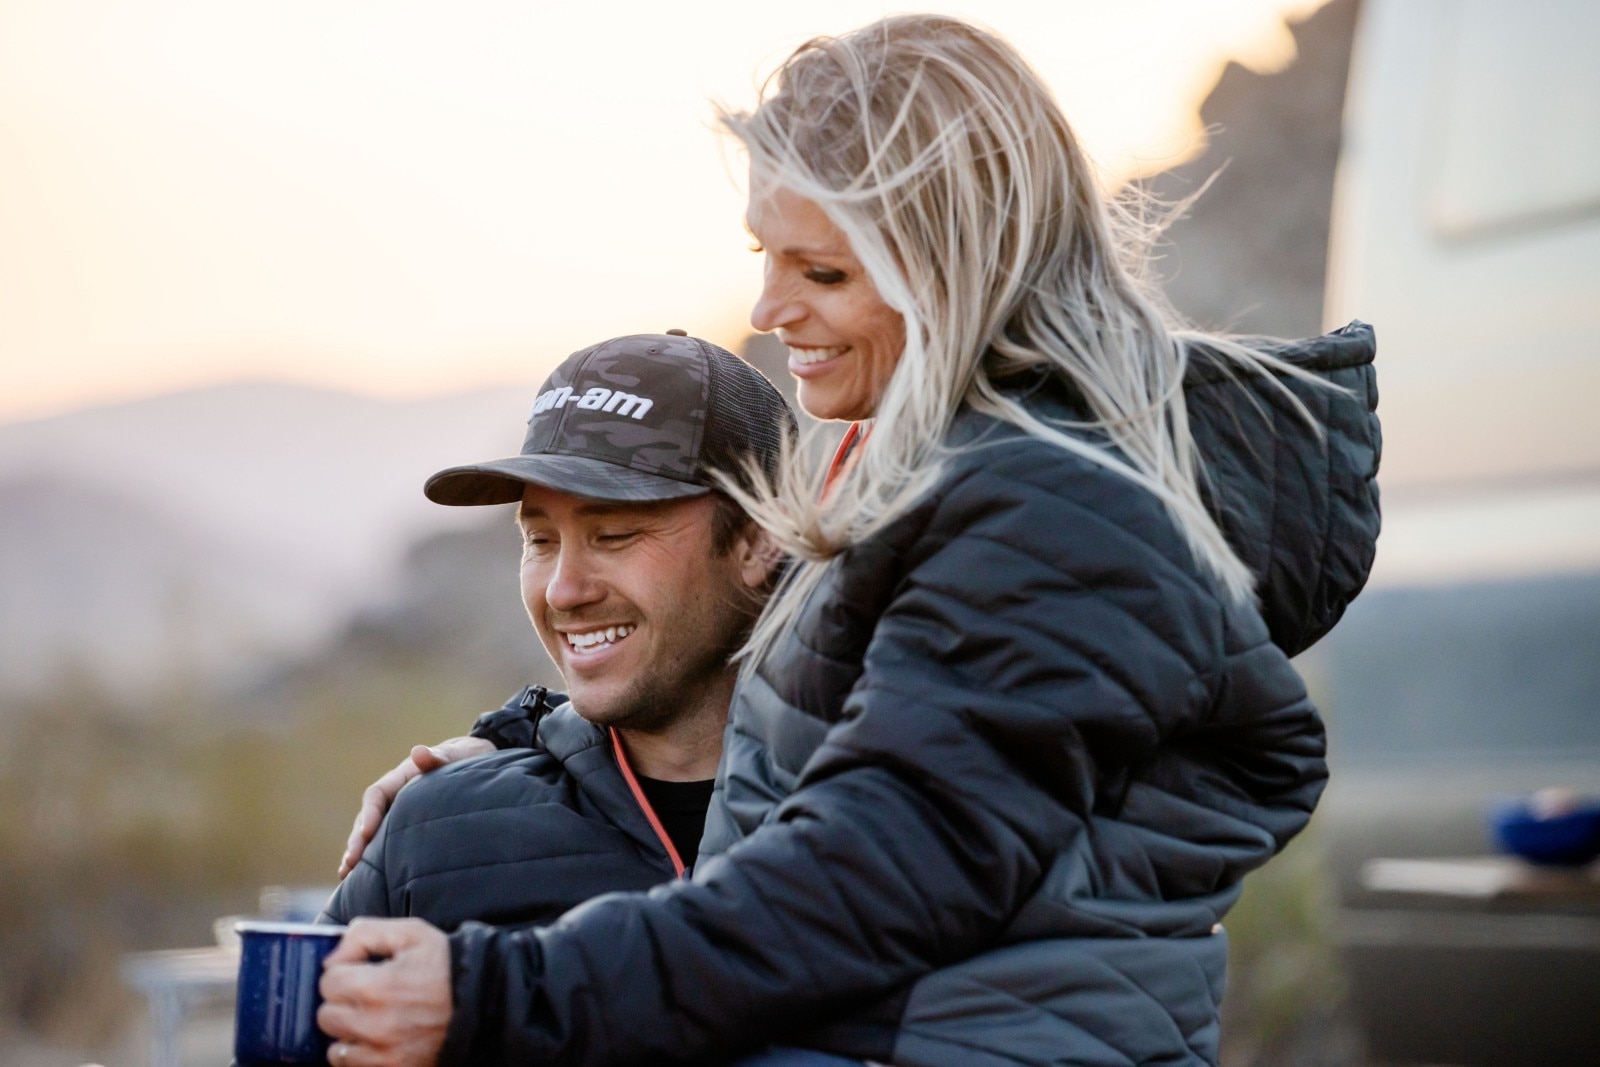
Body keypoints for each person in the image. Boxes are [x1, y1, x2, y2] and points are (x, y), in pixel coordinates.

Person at [319, 14, 1380, 1067]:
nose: (771, 307)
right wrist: (530, 752)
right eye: (766, 258)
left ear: (956, 262)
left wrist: (496, 990)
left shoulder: (1052, 507)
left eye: (821, 273)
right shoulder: (963, 485)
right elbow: (840, 706)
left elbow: (871, 872)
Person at [322, 331, 792, 931]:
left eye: (615, 536)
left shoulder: (883, 810)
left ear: (759, 541)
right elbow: (298, 1023)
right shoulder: (434, 835)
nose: (564, 590)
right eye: (539, 541)